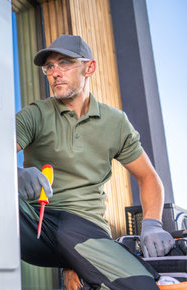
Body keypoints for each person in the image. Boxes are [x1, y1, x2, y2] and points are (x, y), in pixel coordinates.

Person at [16, 34, 175, 289]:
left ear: (89, 67)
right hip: (38, 223)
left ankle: (83, 264)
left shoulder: (115, 123)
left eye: (64, 63)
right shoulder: (34, 115)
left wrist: (152, 224)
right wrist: (13, 173)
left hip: (85, 228)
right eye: (50, 67)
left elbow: (148, 178)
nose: (55, 72)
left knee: (141, 285)